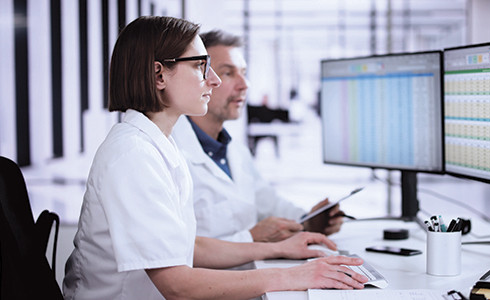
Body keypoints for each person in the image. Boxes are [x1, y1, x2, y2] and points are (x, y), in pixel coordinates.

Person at [62, 16, 367, 300]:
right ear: (158, 75)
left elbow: (189, 247)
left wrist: (281, 248)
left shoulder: (156, 144)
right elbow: (177, 286)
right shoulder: (132, 156)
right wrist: (293, 276)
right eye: (199, 67)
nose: (214, 81)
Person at [172, 30, 345, 243]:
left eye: (243, 72)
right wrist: (251, 238)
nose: (244, 84)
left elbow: (268, 203)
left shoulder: (234, 150)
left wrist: (307, 222)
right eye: (228, 73)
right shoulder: (171, 152)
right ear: (199, 78)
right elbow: (179, 252)